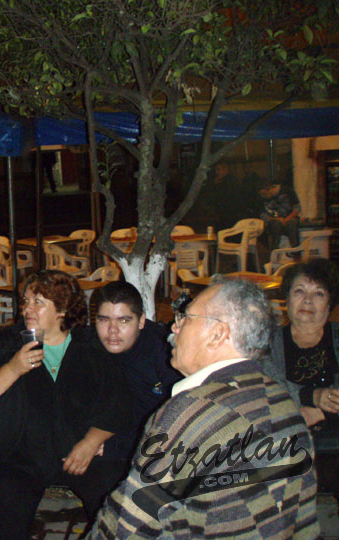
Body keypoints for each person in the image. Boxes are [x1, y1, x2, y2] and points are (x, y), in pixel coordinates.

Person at [90, 278, 320, 539]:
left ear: (218, 334)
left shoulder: (194, 413)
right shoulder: (281, 400)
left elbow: (127, 525)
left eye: (186, 318)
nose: (174, 327)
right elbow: (304, 520)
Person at [0, 270, 131, 539]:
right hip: (20, 455)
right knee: (5, 518)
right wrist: (13, 369)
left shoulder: (88, 344)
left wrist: (90, 443)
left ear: (62, 309)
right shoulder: (10, 341)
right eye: (26, 301)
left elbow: (117, 402)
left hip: (76, 452)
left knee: (117, 508)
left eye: (38, 302)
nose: (27, 308)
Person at [263, 258, 339, 499]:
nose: (307, 300)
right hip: (285, 448)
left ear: (330, 303)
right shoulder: (268, 343)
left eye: (318, 293)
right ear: (287, 299)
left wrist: (321, 413)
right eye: (299, 291)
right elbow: (267, 389)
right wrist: (310, 397)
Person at [91, 282, 181, 466]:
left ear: (141, 321)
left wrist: (113, 447)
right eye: (104, 320)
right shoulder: (89, 347)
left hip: (158, 453)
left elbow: (175, 424)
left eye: (123, 321)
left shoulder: (166, 355)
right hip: (108, 439)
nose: (112, 330)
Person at [257, 177, 301, 250]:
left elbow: (297, 208)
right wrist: (277, 219)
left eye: (264, 193)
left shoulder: (288, 191)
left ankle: (296, 252)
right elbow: (262, 215)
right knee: (275, 225)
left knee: (292, 224)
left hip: (290, 217)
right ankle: (274, 251)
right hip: (273, 220)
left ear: (270, 189)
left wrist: (287, 219)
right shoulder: (261, 198)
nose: (263, 196)